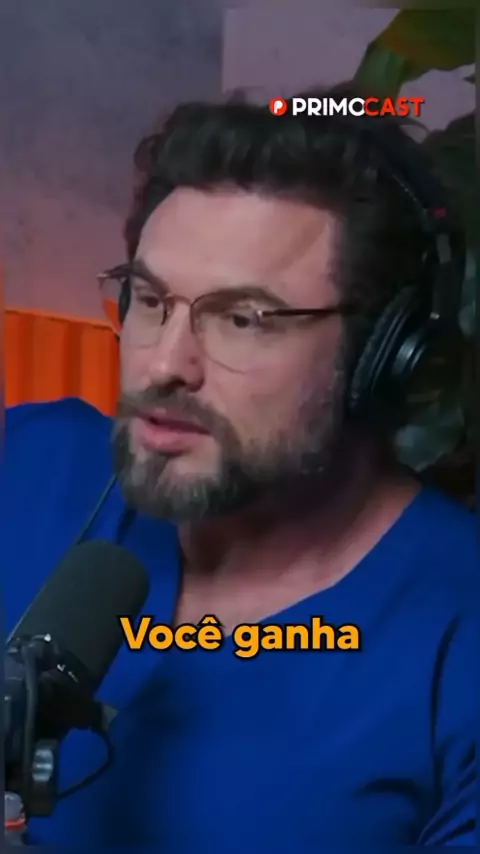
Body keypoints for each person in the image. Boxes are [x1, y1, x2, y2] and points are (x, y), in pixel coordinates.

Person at [3, 86, 476, 849]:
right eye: (150, 300)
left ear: (382, 358)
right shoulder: (28, 462)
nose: (165, 363)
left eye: (242, 319)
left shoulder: (458, 639)